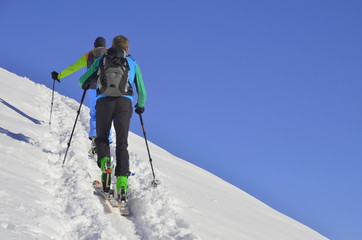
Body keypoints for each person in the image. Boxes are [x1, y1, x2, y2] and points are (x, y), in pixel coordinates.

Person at [78, 35, 146, 200]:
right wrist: (140, 105)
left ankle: (106, 167)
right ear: (127, 49)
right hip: (124, 104)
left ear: (111, 46)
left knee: (102, 138)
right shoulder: (133, 63)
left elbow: (82, 81)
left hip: (104, 102)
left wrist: (88, 82)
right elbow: (142, 90)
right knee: (122, 143)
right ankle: (122, 184)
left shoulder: (102, 60)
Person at [51, 37, 111, 153]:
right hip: (108, 89)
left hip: (93, 87)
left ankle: (94, 140)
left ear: (95, 45)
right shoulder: (111, 54)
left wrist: (59, 75)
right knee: (107, 115)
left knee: (94, 113)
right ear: (104, 45)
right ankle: (107, 140)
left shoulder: (89, 55)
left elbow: (73, 67)